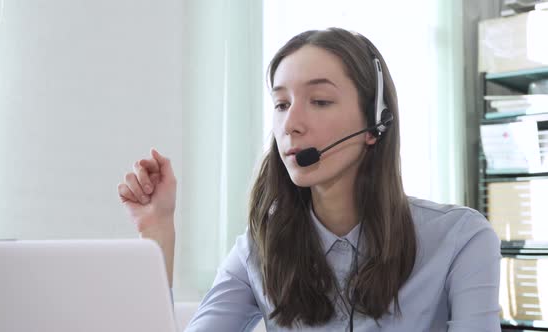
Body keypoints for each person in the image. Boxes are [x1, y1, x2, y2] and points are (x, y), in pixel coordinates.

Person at [118, 28, 501, 331]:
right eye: (281, 104)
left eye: (319, 101)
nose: (291, 124)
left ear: (375, 125)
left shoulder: (460, 240)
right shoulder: (259, 251)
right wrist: (157, 232)